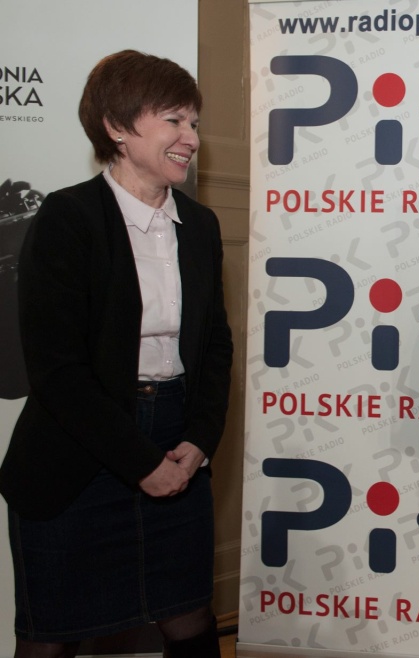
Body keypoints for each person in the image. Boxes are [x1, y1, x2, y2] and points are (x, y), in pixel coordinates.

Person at [0, 50, 233, 658]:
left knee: (189, 620)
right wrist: (139, 461)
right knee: (50, 637)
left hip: (177, 442)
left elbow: (214, 348)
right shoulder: (67, 218)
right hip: (78, 453)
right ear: (117, 127)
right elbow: (56, 371)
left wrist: (200, 439)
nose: (192, 138)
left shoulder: (201, 227)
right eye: (174, 121)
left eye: (195, 123)